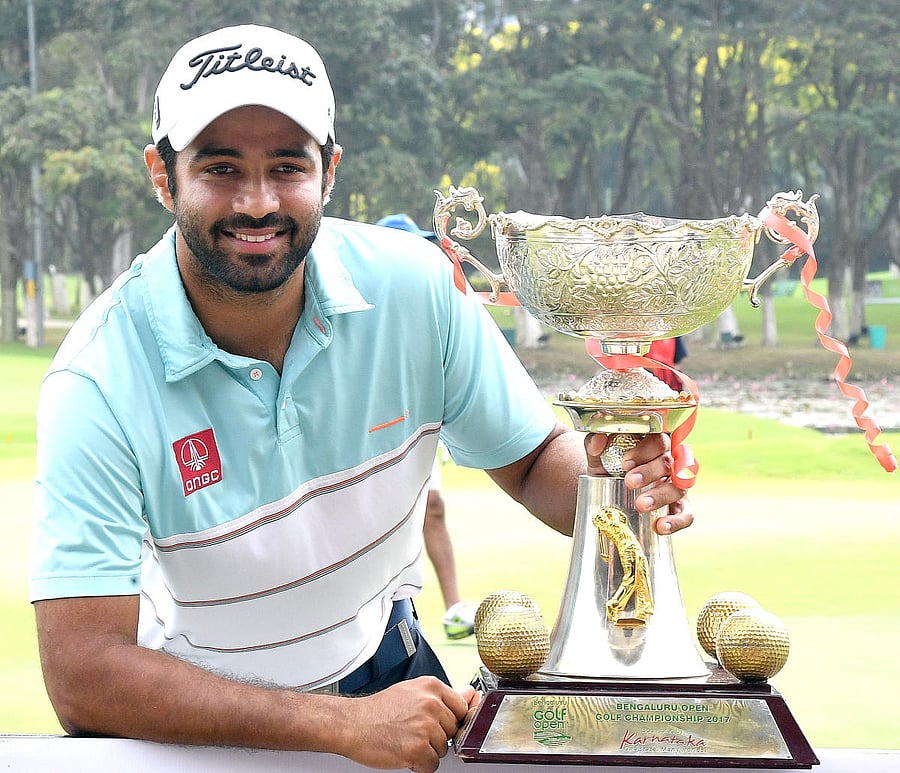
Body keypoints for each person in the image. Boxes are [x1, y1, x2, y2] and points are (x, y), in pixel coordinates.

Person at [29, 24, 692, 773]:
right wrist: (337, 725)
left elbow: (535, 459)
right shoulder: (97, 379)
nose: (256, 201)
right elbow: (83, 671)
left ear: (331, 170)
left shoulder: (416, 288)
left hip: (391, 677)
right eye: (220, 167)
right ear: (162, 174)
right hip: (199, 723)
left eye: (288, 166)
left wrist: (615, 488)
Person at [376, 213, 477, 640]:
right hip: (367, 437)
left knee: (432, 507)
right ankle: (382, 615)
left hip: (413, 429)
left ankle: (454, 608)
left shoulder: (428, 305)